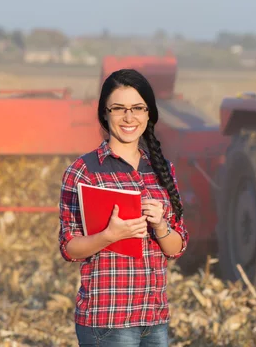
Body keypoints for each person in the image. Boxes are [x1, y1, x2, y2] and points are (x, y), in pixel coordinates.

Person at [58, 68, 189, 346]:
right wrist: (109, 236)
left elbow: (176, 248)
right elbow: (69, 248)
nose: (129, 118)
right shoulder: (84, 171)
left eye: (138, 108)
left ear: (149, 114)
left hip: (154, 318)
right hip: (108, 320)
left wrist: (161, 225)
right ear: (104, 113)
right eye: (118, 108)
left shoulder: (163, 170)